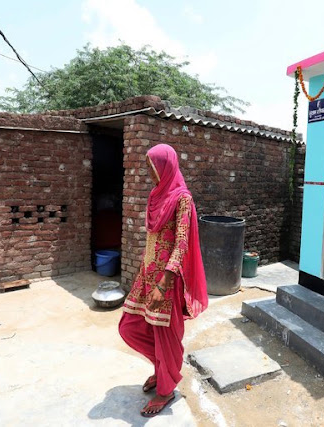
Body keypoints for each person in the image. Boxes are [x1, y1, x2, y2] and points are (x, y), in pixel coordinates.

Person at [118, 143, 208, 418]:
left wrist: (163, 282)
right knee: (129, 326)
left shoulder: (182, 199)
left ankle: (166, 388)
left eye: (153, 167)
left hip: (167, 280)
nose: (150, 172)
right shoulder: (156, 196)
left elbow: (181, 243)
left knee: (165, 335)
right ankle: (163, 369)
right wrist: (143, 273)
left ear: (166, 166)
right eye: (148, 167)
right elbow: (152, 240)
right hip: (147, 275)